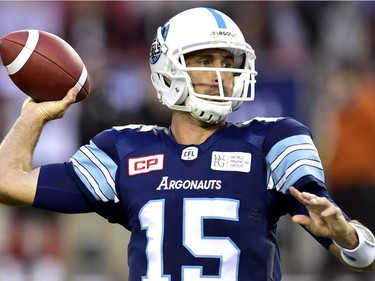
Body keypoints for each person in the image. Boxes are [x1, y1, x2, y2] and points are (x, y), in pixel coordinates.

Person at [0, 7, 374, 281]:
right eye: (205, 60)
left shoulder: (272, 141)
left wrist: (350, 237)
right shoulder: (125, 150)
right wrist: (34, 114)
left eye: (229, 62)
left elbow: (364, 258)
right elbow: (7, 181)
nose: (220, 74)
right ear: (168, 71)